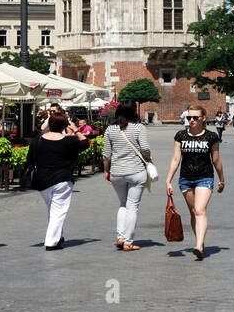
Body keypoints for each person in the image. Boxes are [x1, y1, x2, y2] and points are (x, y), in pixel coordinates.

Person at [165, 106, 225, 259]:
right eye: (189, 118)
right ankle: (200, 241)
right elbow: (176, 159)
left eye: (195, 118)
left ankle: (198, 245)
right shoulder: (180, 135)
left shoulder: (211, 137)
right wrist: (168, 180)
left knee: (199, 210)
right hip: (185, 178)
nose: (191, 120)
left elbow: (216, 159)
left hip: (205, 177)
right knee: (193, 212)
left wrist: (222, 179)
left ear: (203, 118)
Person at [29, 109, 89, 250]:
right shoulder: (68, 140)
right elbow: (85, 143)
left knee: (53, 210)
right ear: (64, 126)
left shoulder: (39, 140)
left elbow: (30, 157)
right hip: (62, 178)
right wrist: (75, 129)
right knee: (58, 211)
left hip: (43, 180)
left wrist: (45, 126)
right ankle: (51, 242)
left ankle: (58, 236)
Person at [103, 99, 153, 251]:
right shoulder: (139, 128)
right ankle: (128, 241)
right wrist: (149, 159)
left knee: (123, 204)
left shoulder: (110, 129)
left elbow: (106, 155)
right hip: (136, 172)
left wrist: (106, 171)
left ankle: (120, 236)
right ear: (134, 112)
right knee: (133, 207)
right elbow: (145, 148)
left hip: (117, 172)